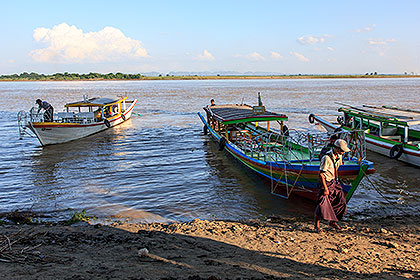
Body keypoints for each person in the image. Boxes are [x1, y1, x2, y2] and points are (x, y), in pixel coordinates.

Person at [314, 139, 351, 233]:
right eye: (342, 150)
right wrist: (325, 189)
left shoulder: (339, 156)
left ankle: (333, 221)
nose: (343, 152)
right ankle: (316, 225)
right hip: (325, 182)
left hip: (334, 181)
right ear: (336, 148)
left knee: (341, 202)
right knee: (322, 204)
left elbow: (337, 169)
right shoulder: (326, 158)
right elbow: (321, 174)